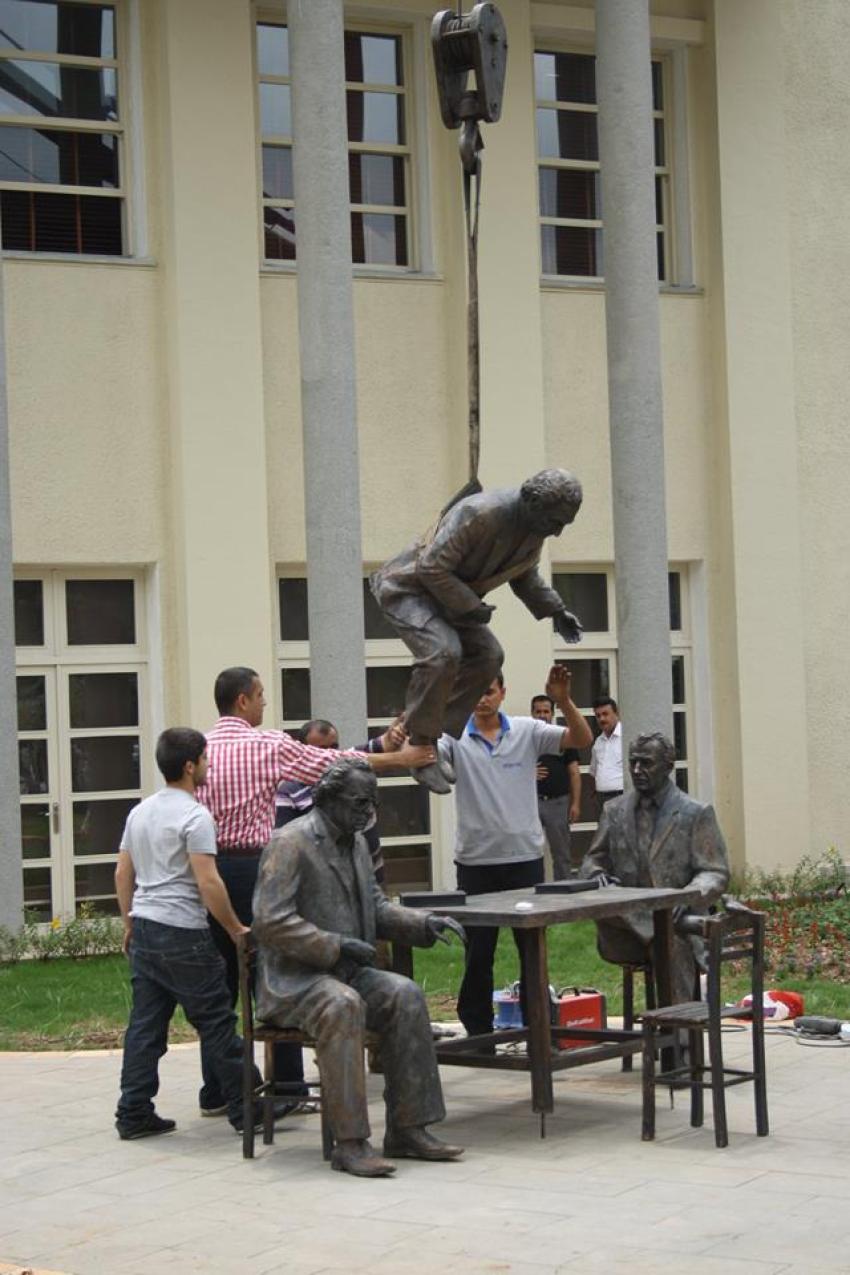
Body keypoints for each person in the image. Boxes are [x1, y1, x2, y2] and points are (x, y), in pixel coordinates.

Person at [195, 666, 434, 1117]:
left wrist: (383, 744)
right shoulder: (266, 744)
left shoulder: (201, 749)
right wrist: (402, 760)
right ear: (243, 700)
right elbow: (334, 767)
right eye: (260, 695)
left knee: (220, 985)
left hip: (205, 870)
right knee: (280, 964)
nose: (265, 703)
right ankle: (287, 1085)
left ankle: (221, 1090)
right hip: (253, 868)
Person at [252, 757, 466, 1178]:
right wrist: (333, 946)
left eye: (373, 803)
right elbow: (269, 921)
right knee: (343, 1005)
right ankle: (349, 1143)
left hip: (346, 973)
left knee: (405, 994)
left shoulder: (357, 844)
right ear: (328, 798)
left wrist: (422, 923)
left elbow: (377, 908)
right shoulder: (289, 843)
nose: (368, 812)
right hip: (295, 980)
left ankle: (408, 1128)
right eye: (360, 802)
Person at [371, 469, 585, 794]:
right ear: (532, 502)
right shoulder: (480, 514)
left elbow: (525, 576)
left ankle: (435, 741)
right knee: (443, 653)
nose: (557, 532)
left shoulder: (533, 529)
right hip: (410, 590)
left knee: (489, 655)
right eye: (555, 522)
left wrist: (556, 610)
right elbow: (431, 567)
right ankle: (420, 745)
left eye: (564, 524)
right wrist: (472, 605)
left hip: (453, 599)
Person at [438, 666, 592, 1039]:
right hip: (476, 863)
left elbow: (582, 738)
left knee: (531, 951)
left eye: (489, 691)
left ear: (503, 693)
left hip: (524, 861)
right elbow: (424, 759)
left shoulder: (527, 730)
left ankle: (539, 1029)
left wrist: (563, 701)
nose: (482, 698)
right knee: (478, 953)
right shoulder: (453, 736)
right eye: (476, 691)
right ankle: (480, 1035)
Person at [114, 728, 250, 1140]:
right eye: (205, 759)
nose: (208, 765)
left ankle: (133, 1113)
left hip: (146, 929)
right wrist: (235, 929)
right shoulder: (195, 816)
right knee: (217, 1021)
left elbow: (122, 872)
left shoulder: (140, 812)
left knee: (145, 1027)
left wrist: (129, 923)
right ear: (190, 766)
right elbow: (208, 881)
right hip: (183, 933)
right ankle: (247, 1110)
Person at [581, 732, 731, 1003]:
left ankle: (678, 1027)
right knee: (666, 935)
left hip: (677, 922)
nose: (637, 770)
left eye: (646, 763)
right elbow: (593, 860)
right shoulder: (613, 811)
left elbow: (715, 872)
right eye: (633, 762)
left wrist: (687, 896)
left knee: (671, 941)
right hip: (624, 933)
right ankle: (679, 1028)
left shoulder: (696, 812)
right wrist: (597, 875)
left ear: (668, 765)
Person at [275, 715, 407, 886]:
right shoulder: (289, 790)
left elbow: (383, 744)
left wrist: (397, 732)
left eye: (334, 747)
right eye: (322, 750)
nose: (331, 755)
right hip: (324, 883)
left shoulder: (349, 764)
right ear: (305, 752)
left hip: (370, 876)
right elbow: (286, 842)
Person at [531, 692, 582, 880]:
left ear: (552, 713)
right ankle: (533, 890)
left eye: (546, 711)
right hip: (531, 803)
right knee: (530, 853)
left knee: (561, 853)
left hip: (558, 803)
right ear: (532, 713)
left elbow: (574, 773)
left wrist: (575, 804)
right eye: (538, 712)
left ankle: (564, 889)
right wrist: (529, 772)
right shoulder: (526, 739)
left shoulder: (563, 737)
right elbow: (511, 768)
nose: (542, 715)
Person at [589, 696, 623, 816]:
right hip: (601, 799)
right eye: (598, 716)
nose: (601, 719)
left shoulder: (626, 737)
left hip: (622, 797)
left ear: (616, 713)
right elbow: (593, 772)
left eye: (605, 714)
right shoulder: (598, 742)